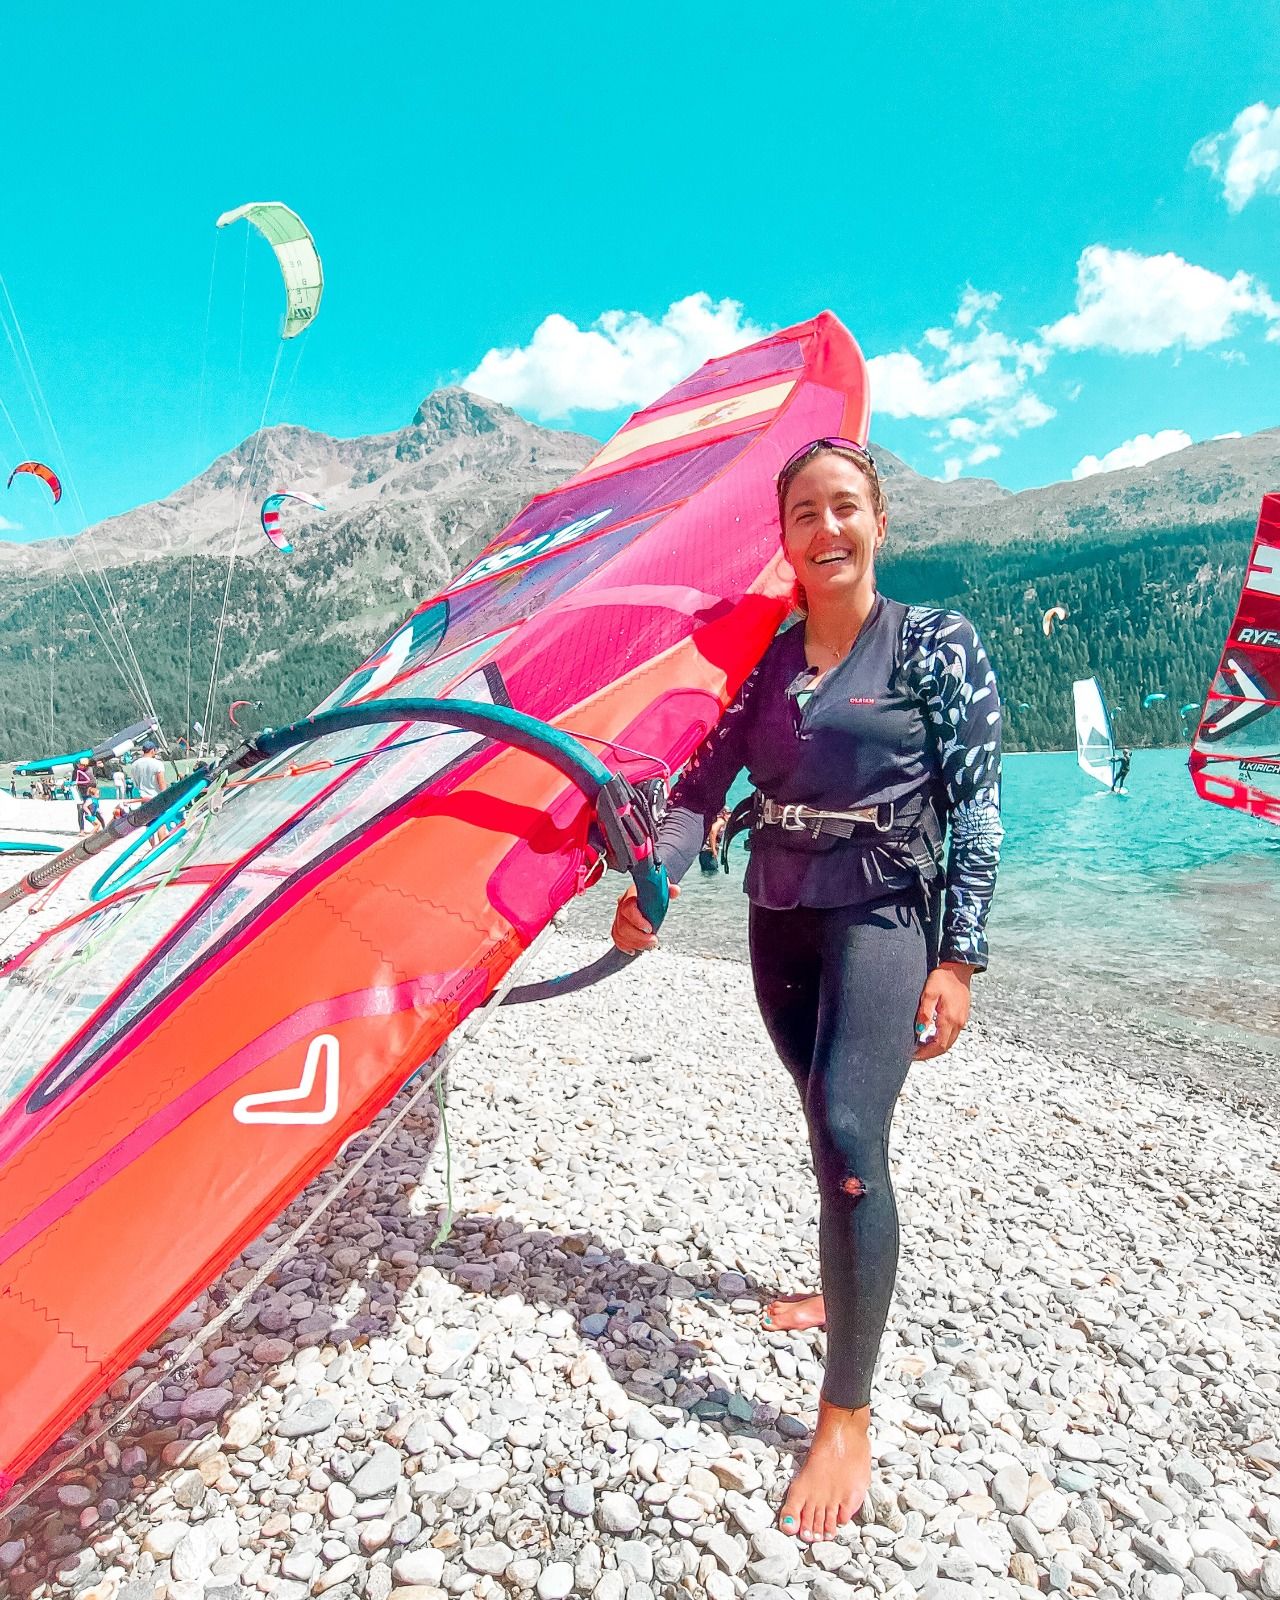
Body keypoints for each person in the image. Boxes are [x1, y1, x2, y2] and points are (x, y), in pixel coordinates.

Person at [611, 438, 1003, 1541]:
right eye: (803, 515)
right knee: (821, 1111)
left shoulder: (935, 643)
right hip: (778, 911)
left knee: (847, 1127)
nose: (826, 529)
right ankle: (845, 1287)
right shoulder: (766, 662)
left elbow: (976, 807)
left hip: (882, 910)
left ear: (879, 522)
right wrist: (656, 882)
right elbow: (699, 788)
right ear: (783, 539)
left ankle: (844, 1415)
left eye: (844, 508)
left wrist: (958, 957)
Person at [699, 805, 732, 872]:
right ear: (723, 814)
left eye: (730, 813)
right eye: (728, 813)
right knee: (712, 872)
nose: (730, 816)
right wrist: (713, 849)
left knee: (707, 873)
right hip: (708, 852)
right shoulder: (721, 821)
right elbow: (713, 831)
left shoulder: (717, 821)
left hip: (705, 852)